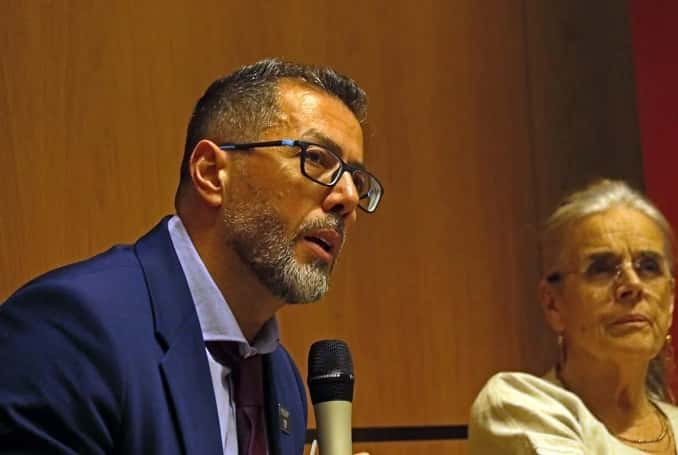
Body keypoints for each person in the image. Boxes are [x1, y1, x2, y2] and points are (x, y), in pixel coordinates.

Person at [0, 59, 383, 454]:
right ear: (211, 173)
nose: (348, 199)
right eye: (317, 158)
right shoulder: (73, 330)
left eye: (357, 181)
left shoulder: (282, 380)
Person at [469, 179, 678, 454]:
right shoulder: (518, 409)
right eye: (601, 269)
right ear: (553, 304)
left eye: (649, 267)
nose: (632, 285)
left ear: (670, 300)